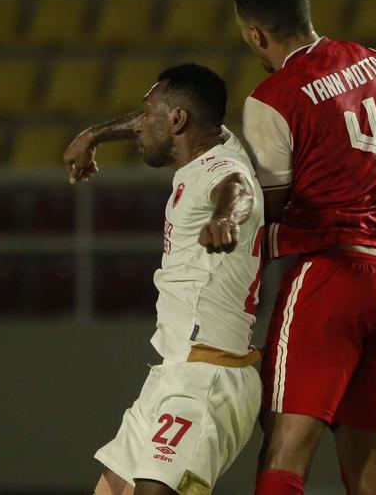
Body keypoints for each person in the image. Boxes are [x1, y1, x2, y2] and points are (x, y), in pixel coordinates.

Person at [232, 0, 376, 495]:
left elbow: (270, 211)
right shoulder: (375, 63)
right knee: (375, 478)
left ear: (255, 34)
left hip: (329, 280)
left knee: (283, 454)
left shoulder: (272, 98)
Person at [63, 63, 265, 495]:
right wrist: (93, 135)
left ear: (177, 120)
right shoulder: (215, 142)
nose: (139, 125)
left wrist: (227, 218)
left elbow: (239, 188)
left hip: (208, 378)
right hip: (171, 373)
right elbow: (152, 123)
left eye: (146, 113)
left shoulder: (222, 168)